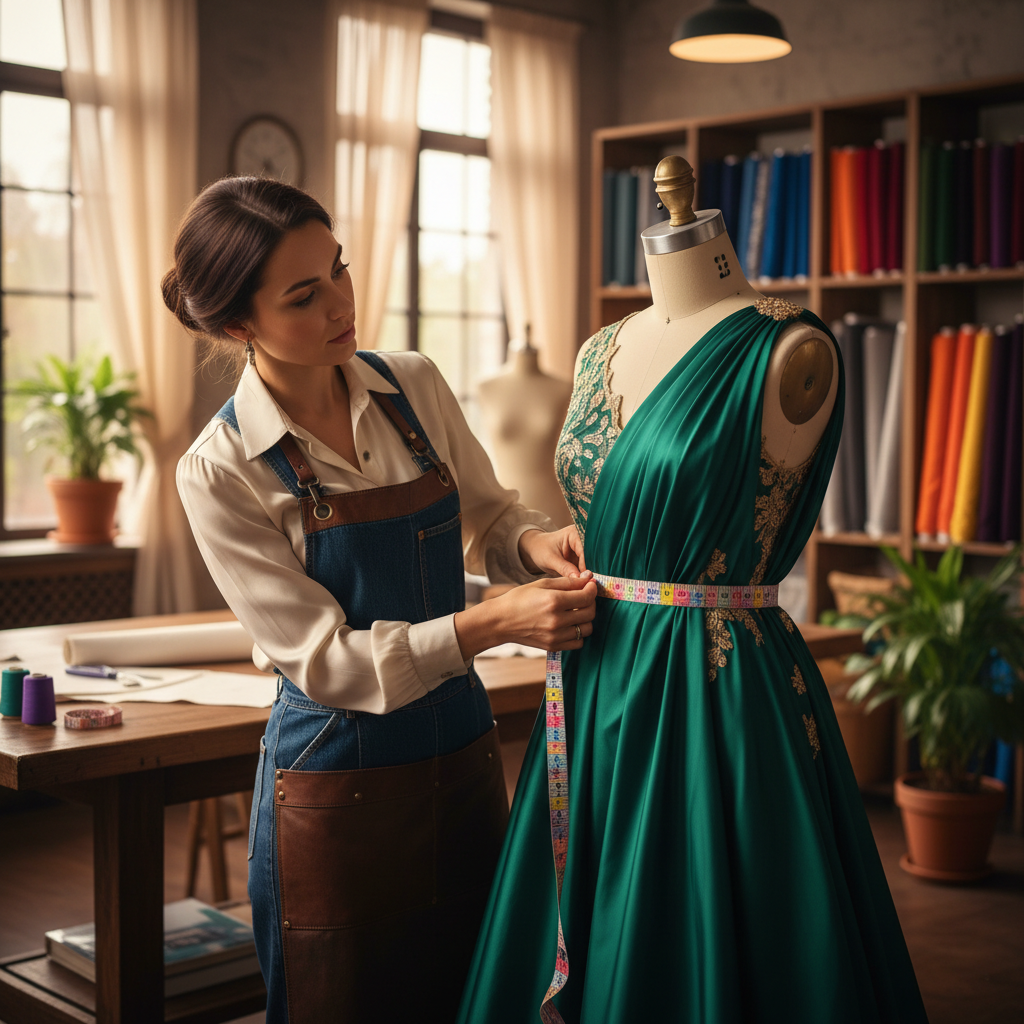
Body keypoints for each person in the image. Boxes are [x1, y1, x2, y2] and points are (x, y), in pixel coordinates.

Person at [457, 159, 928, 1023]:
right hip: (597, 673)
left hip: (712, 683)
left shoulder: (791, 349)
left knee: (714, 907)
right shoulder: (602, 348)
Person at [166, 176, 597, 1023]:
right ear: (236, 325)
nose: (341, 303)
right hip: (334, 793)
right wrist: (491, 624)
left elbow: (490, 515)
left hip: (463, 763)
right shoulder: (218, 472)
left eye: (340, 269)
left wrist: (537, 546)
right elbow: (325, 662)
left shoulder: (413, 385)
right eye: (304, 294)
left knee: (479, 998)